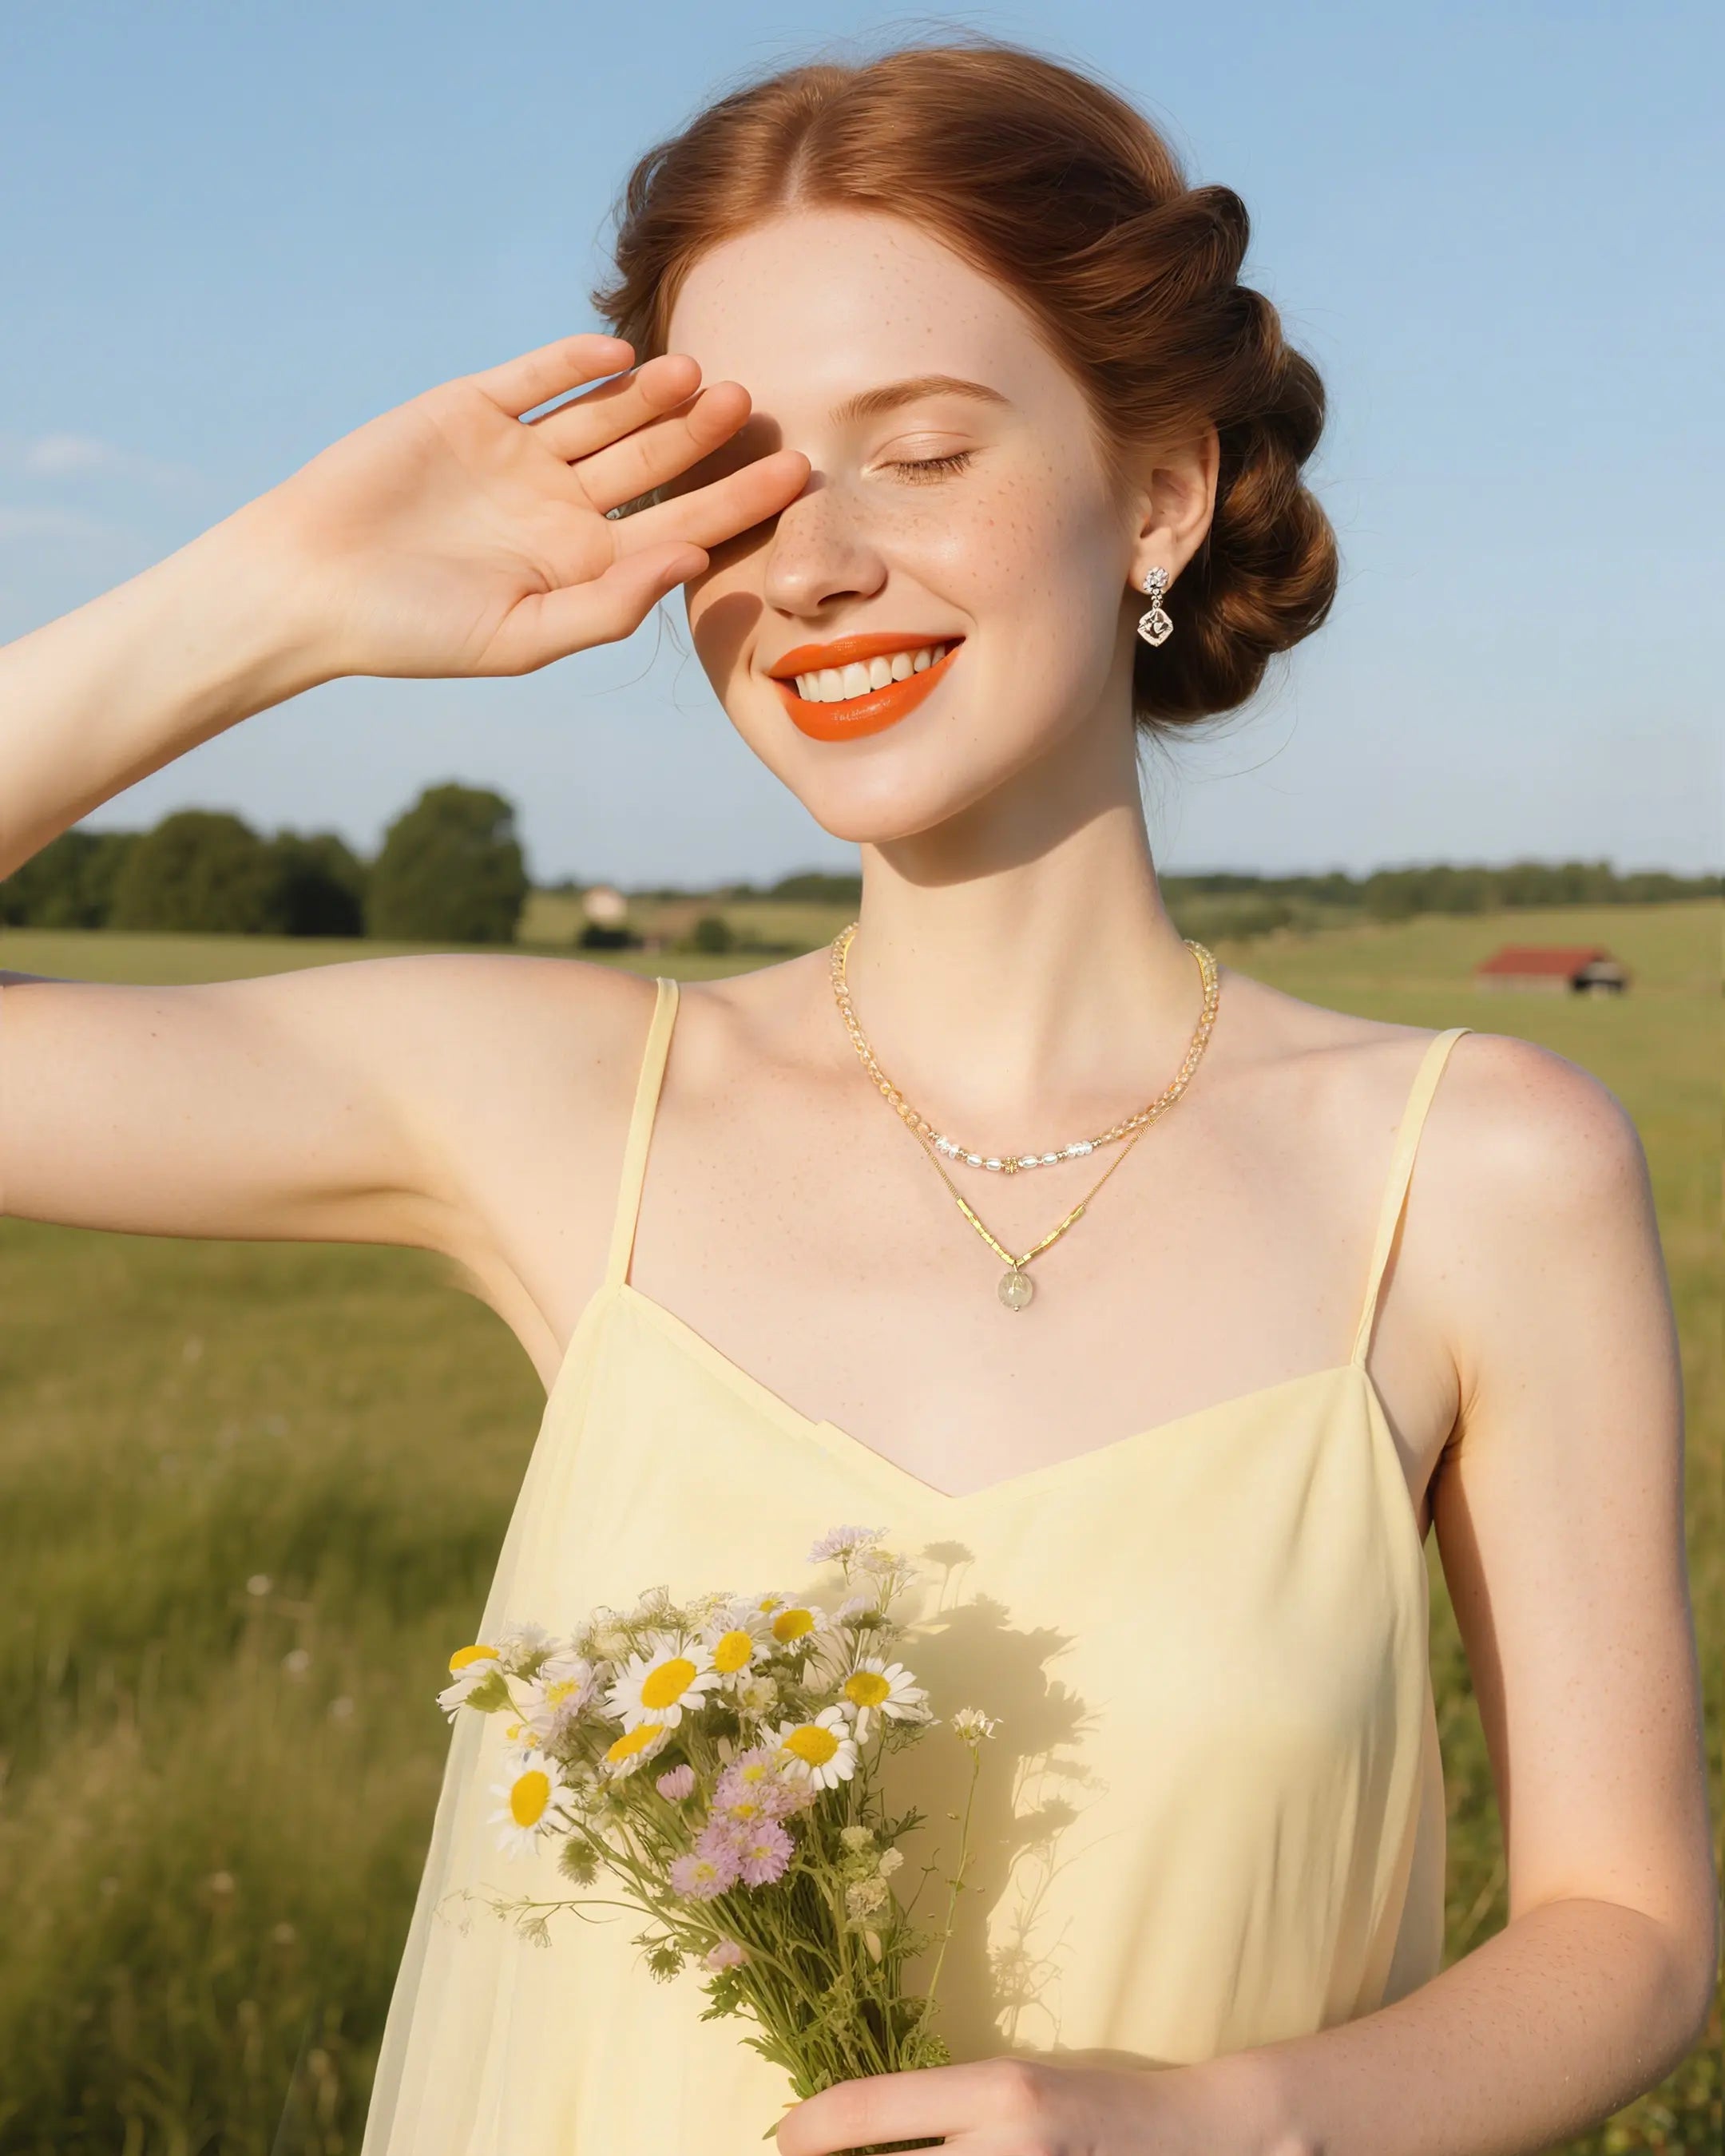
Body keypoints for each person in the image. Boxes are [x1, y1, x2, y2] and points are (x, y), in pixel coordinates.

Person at [0, 37, 1713, 2156]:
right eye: (734, 480)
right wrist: (274, 598)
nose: (809, 565)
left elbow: (1628, 1928)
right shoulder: (552, 1104)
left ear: (1158, 490)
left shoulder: (1476, 1170)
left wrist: (1226, 2123)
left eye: (917, 452)